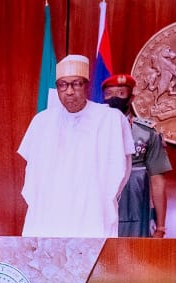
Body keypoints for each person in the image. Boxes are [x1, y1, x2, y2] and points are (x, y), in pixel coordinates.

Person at [18, 55, 135, 238]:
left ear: (86, 86)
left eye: (76, 84)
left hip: (93, 213)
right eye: (63, 85)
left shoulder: (110, 119)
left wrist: (99, 198)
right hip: (49, 214)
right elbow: (33, 173)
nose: (69, 91)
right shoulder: (42, 121)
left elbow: (123, 170)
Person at [102, 73, 172, 238]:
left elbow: (157, 180)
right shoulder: (92, 131)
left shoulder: (146, 131)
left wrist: (160, 227)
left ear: (131, 98)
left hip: (135, 206)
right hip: (100, 206)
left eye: (121, 93)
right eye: (109, 94)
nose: (114, 98)